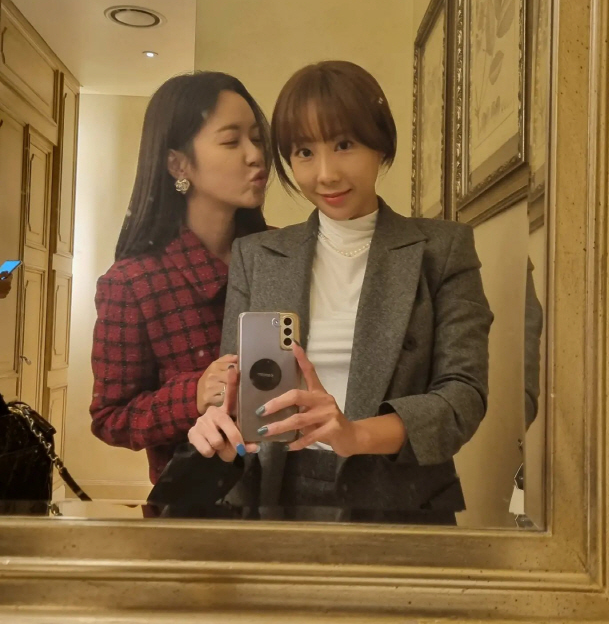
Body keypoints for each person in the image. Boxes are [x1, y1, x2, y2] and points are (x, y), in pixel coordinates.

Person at [186, 60, 493, 524]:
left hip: (400, 500)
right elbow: (241, 390)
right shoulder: (258, 255)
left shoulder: (442, 249)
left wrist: (355, 434)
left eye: (344, 145)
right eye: (304, 152)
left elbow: (463, 396)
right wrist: (219, 422)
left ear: (380, 143)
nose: (326, 174)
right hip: (276, 498)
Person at [90, 71, 270, 488]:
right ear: (178, 164)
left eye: (257, 139)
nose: (256, 156)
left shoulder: (282, 256)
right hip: (196, 504)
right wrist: (194, 393)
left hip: (301, 495)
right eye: (232, 141)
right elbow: (110, 419)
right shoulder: (132, 283)